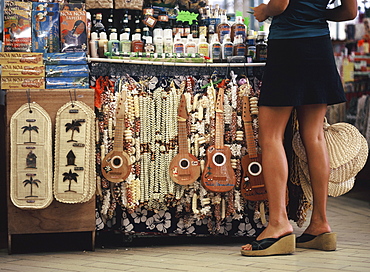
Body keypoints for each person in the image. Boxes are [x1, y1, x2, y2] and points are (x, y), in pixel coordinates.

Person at [240, 0, 358, 256]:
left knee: (271, 135)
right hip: (319, 47)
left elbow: (280, 4)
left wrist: (264, 11)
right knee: (314, 135)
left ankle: (278, 224)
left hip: (288, 46)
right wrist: (316, 13)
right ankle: (320, 224)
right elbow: (350, 12)